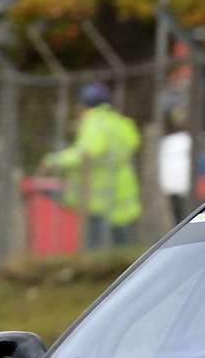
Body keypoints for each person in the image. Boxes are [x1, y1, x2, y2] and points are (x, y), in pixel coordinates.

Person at [43, 82, 141, 249]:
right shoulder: (120, 122)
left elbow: (86, 152)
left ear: (84, 104)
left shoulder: (93, 123)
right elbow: (134, 142)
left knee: (97, 252)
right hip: (125, 194)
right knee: (124, 254)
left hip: (99, 199)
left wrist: (53, 161)